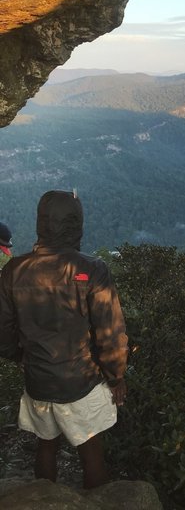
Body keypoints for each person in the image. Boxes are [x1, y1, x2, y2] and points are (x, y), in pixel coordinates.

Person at [0, 191, 128, 488]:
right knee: (91, 452)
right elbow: (110, 332)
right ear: (76, 224)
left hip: (38, 381)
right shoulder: (92, 269)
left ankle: (43, 501)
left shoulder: (13, 271)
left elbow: (3, 333)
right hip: (81, 381)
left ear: (41, 223)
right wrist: (116, 376)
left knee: (46, 445)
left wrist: (21, 357)